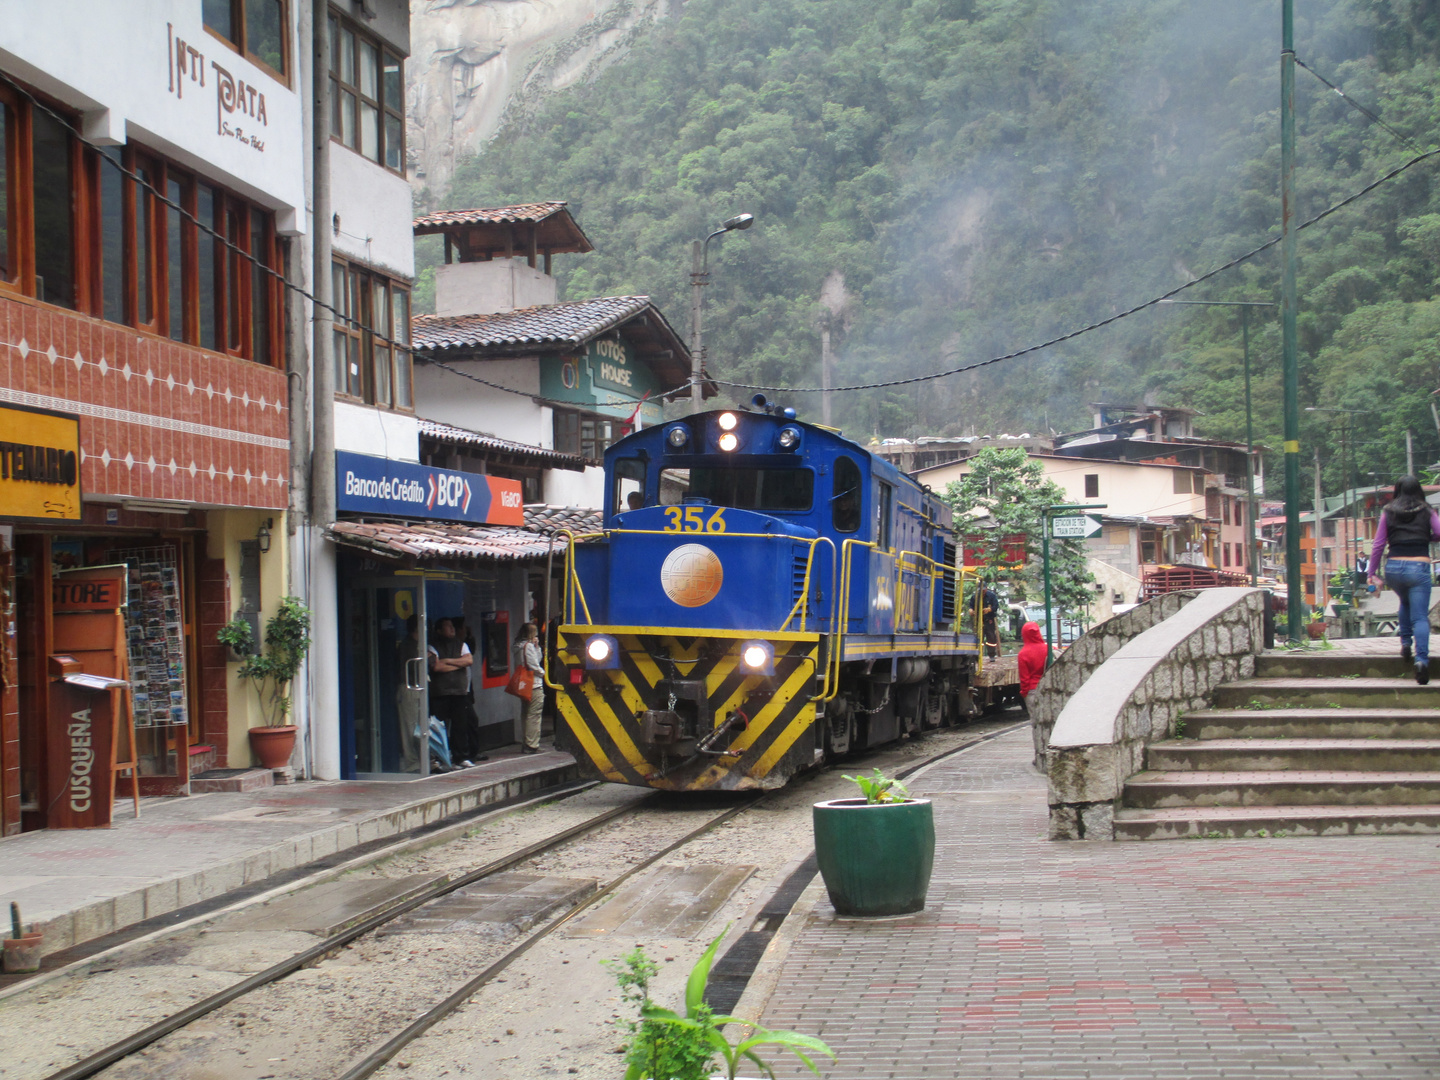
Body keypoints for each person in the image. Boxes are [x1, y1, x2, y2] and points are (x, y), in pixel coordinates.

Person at [1367, 475, 1440, 685]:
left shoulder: (1388, 511)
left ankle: (1406, 643)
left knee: (1404, 601)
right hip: (1418, 567)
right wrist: (1428, 536)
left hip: (1394, 569)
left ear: (1397, 491)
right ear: (1419, 490)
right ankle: (1422, 661)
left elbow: (1379, 545)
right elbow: (1439, 532)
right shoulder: (1427, 510)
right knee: (1420, 617)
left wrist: (1371, 572)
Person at [428, 617, 476, 767]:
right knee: (438, 726)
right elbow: (436, 667)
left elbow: (468, 661)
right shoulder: (432, 646)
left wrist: (447, 661)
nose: (452, 629)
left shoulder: (462, 644)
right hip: (440, 692)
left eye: (452, 626)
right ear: (439, 630)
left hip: (459, 692)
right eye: (447, 626)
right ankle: (439, 758)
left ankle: (460, 757)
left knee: (460, 726)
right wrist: (458, 664)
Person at [395, 615, 423, 772]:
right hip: (409, 687)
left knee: (419, 726)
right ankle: (412, 762)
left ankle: (421, 759)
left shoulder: (418, 644)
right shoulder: (408, 646)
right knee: (411, 728)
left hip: (417, 688)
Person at [513, 622, 545, 753]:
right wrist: (542, 673)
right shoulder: (528, 646)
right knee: (534, 715)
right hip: (534, 684)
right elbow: (534, 664)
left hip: (523, 684)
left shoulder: (517, 646)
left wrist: (537, 647)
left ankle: (526, 742)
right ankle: (532, 744)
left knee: (525, 713)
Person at [1017, 621, 1049, 712]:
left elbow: (1024, 679)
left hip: (1032, 691)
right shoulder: (1050, 649)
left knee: (1036, 722)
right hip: (1048, 688)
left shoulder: (1023, 654)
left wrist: (1024, 693)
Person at [981, 584, 1000, 658]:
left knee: (991, 637)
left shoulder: (991, 596)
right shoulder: (976, 596)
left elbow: (996, 606)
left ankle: (991, 655)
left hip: (989, 619)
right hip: (979, 620)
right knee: (979, 638)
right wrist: (972, 610)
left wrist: (990, 609)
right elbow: (971, 606)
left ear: (986, 589)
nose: (983, 591)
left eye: (984, 590)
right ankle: (978, 655)